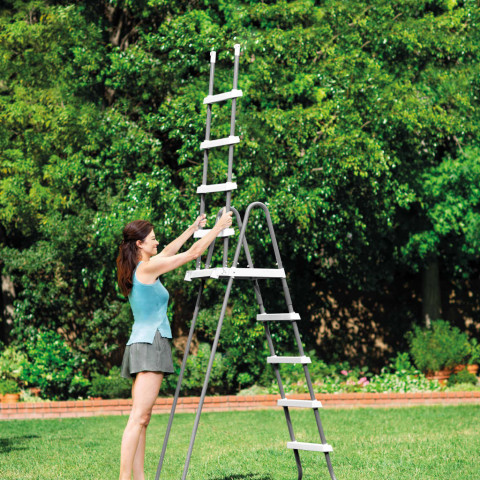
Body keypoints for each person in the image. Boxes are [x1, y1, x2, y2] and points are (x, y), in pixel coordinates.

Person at [116, 208, 233, 480]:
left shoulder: (141, 267)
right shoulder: (147, 268)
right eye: (152, 239)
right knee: (138, 418)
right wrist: (218, 227)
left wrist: (193, 228)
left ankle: (139, 477)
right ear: (139, 244)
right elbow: (192, 255)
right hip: (150, 343)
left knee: (142, 419)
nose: (157, 242)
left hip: (141, 343)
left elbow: (169, 250)